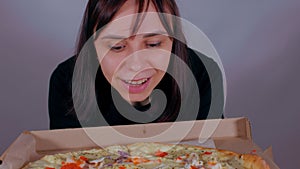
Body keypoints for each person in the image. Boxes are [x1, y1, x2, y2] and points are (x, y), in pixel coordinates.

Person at [48, 0, 224, 129]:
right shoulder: (67, 82)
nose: (136, 65)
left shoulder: (202, 73)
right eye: (117, 47)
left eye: (153, 44)